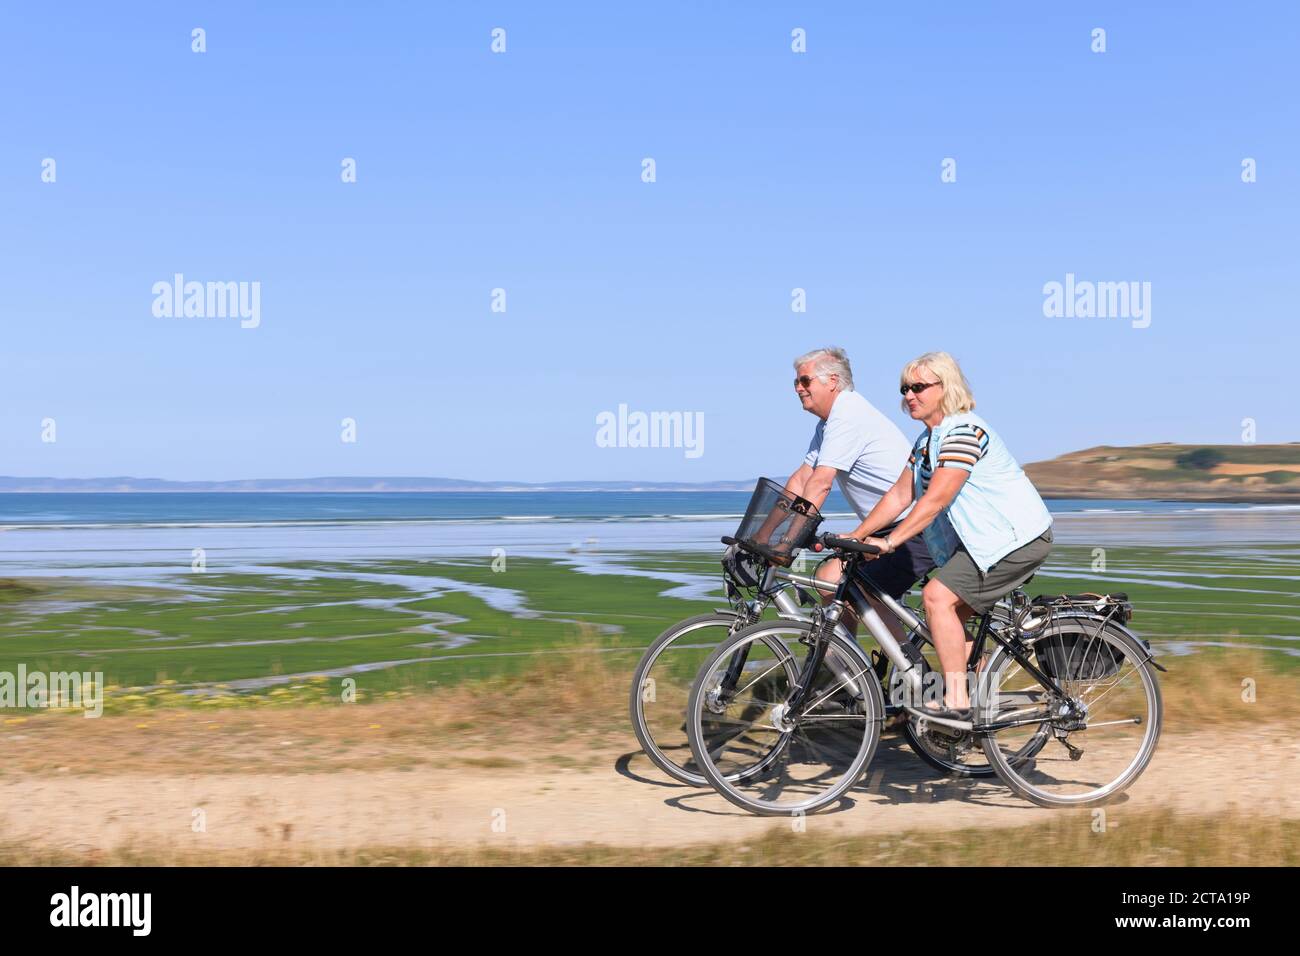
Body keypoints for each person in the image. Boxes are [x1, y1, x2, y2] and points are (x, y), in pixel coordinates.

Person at [846, 351, 1054, 717]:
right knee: (946, 620)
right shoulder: (927, 442)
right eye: (905, 388)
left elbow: (937, 499)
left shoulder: (963, 432)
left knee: (937, 597)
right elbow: (899, 495)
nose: (909, 395)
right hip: (985, 543)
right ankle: (977, 700)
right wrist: (859, 535)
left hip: (1015, 539)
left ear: (947, 387)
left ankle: (956, 702)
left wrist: (891, 541)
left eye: (919, 387)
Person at [780, 347, 936, 650]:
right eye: (796, 383)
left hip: (914, 524)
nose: (798, 388)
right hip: (885, 523)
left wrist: (786, 539)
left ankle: (914, 672)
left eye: (805, 381)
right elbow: (801, 478)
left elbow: (821, 483)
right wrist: (765, 533)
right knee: (829, 578)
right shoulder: (827, 424)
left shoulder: (848, 415)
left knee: (864, 592)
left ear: (832, 381)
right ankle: (849, 675)